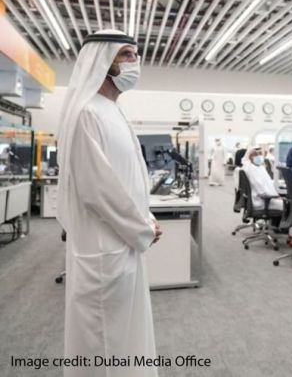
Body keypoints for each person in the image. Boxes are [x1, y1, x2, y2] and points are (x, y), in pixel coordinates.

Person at [56, 30, 162, 377]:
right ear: (103, 61)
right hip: (103, 250)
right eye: (127, 55)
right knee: (104, 346)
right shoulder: (87, 113)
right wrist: (143, 226)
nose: (135, 62)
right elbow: (98, 190)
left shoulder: (112, 111)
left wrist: (146, 216)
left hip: (123, 243)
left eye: (136, 54)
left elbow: (128, 180)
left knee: (126, 342)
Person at [241, 147, 284, 222]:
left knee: (284, 201)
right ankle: (281, 226)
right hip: (262, 201)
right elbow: (262, 191)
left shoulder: (258, 167)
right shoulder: (252, 170)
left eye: (260, 154)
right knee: (288, 205)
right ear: (250, 156)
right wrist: (276, 196)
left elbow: (265, 182)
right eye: (255, 154)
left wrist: (279, 182)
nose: (259, 156)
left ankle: (275, 225)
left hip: (262, 199)